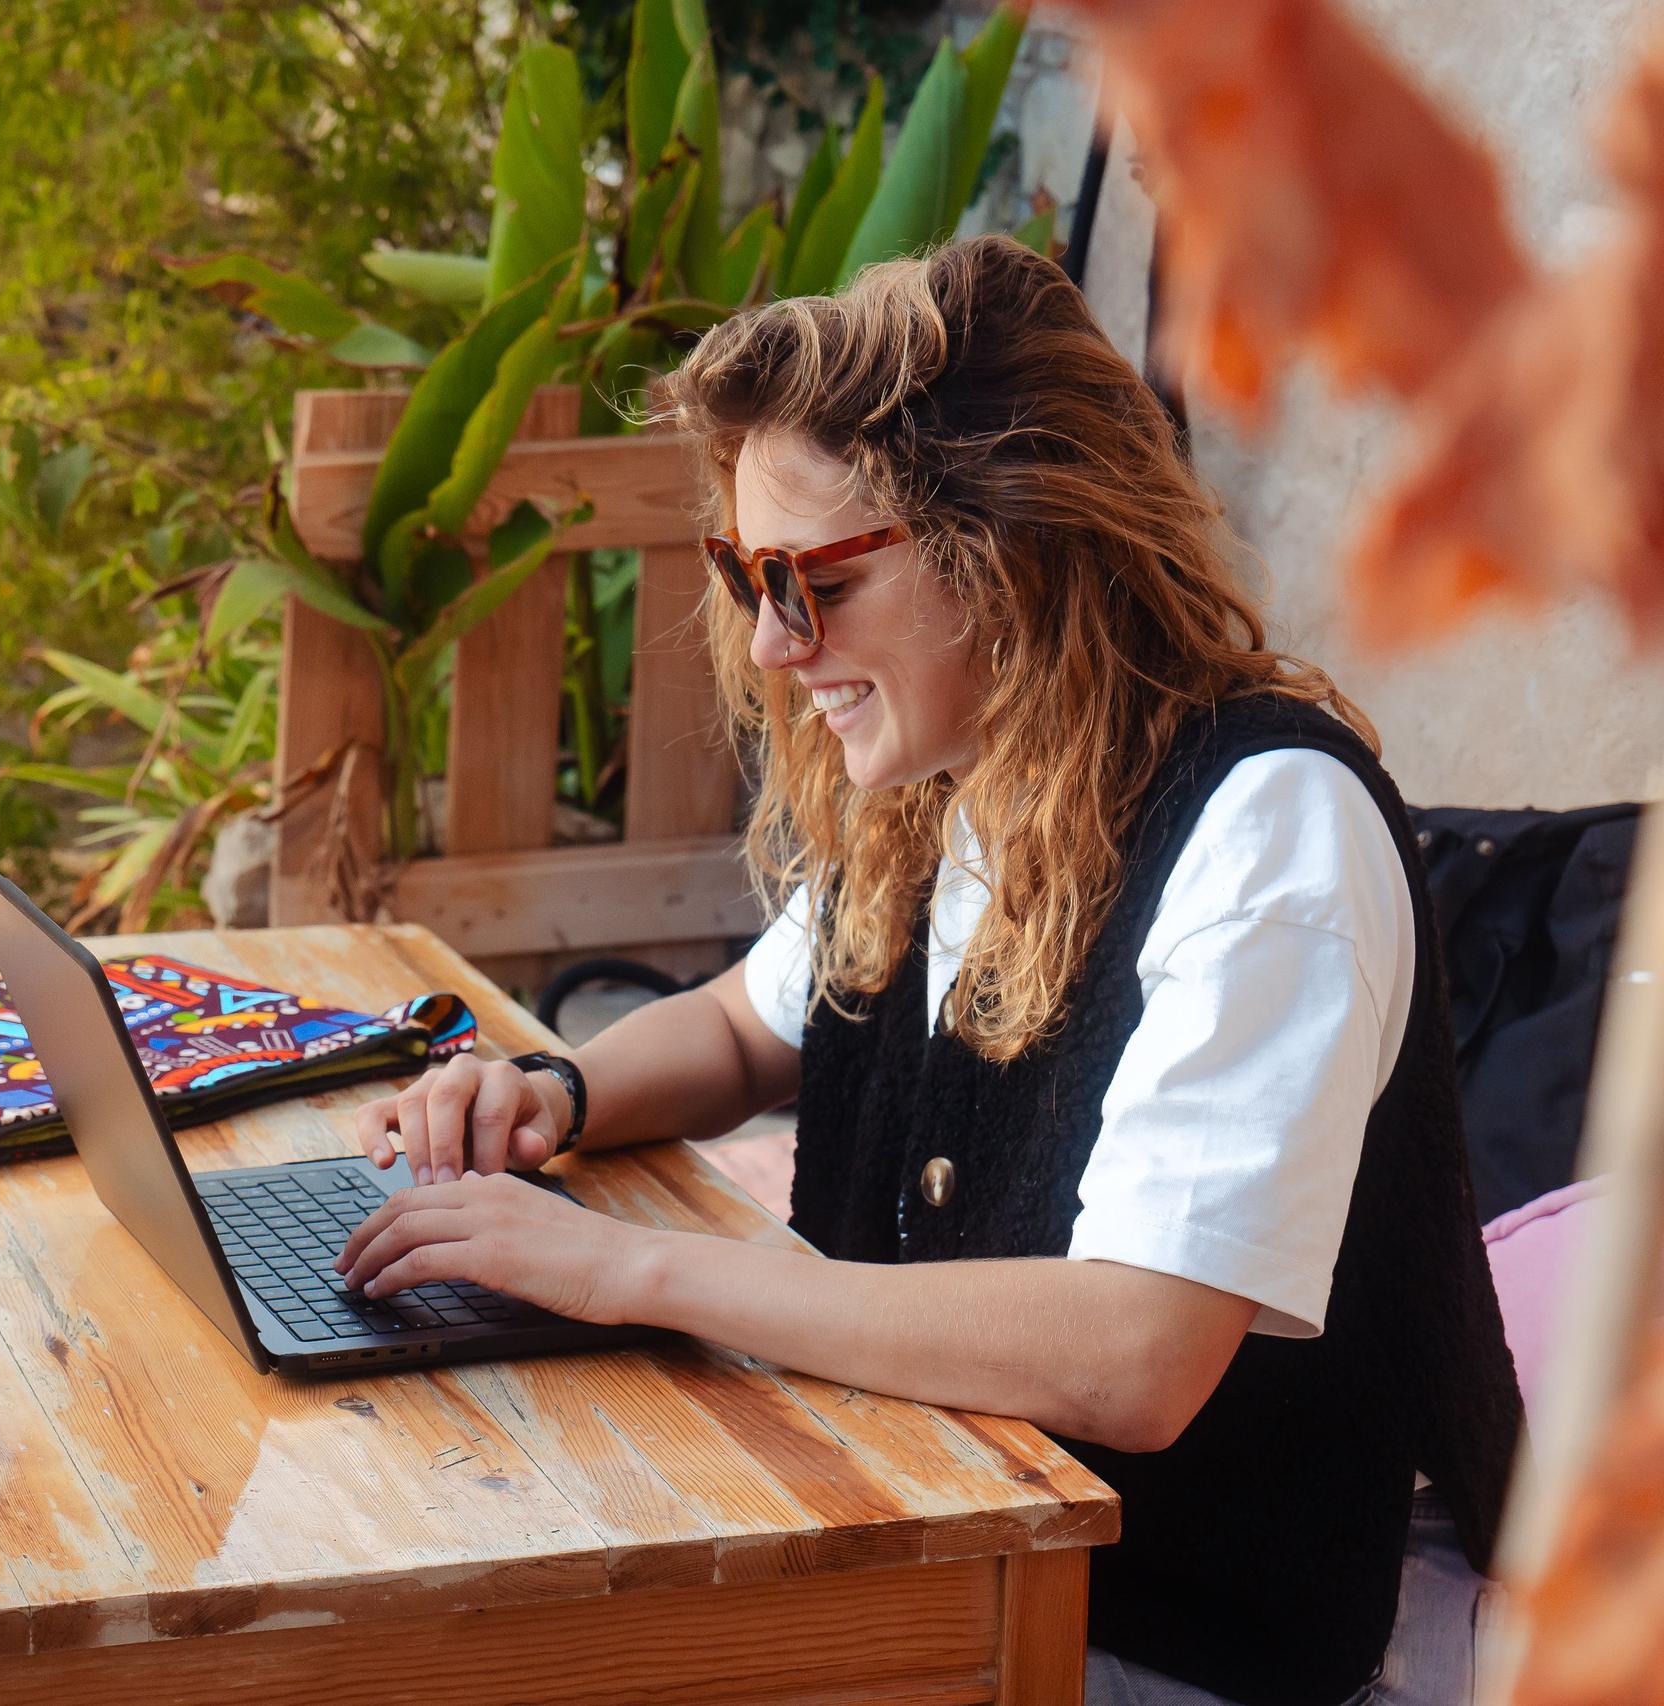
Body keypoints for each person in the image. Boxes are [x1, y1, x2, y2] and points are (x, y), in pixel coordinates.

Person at [332, 236, 1522, 1706]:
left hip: (1174, 1629)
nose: (771, 643)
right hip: (936, 1530)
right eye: (743, 575)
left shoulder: (1267, 829)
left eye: (806, 580)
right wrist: (550, 1093)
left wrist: (630, 1267)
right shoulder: (951, 787)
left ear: (1006, 546)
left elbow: (1135, 1353)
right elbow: (746, 1026)